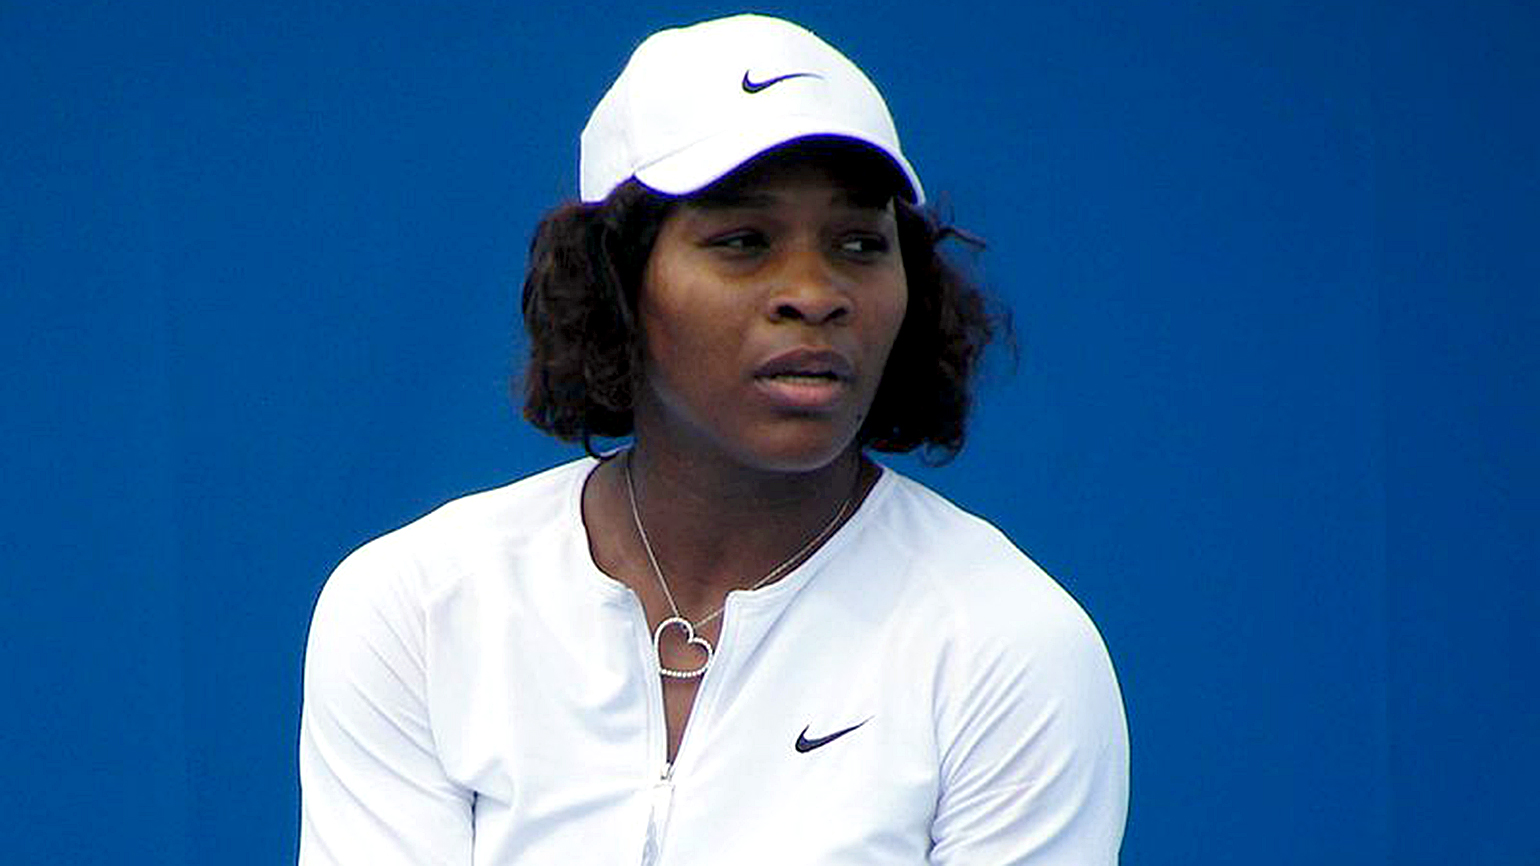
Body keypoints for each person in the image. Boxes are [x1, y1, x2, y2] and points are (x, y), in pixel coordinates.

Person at [298, 13, 1127, 865]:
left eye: (858, 244)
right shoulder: (415, 608)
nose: (814, 293)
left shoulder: (1010, 645)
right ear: (616, 282)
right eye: (742, 242)